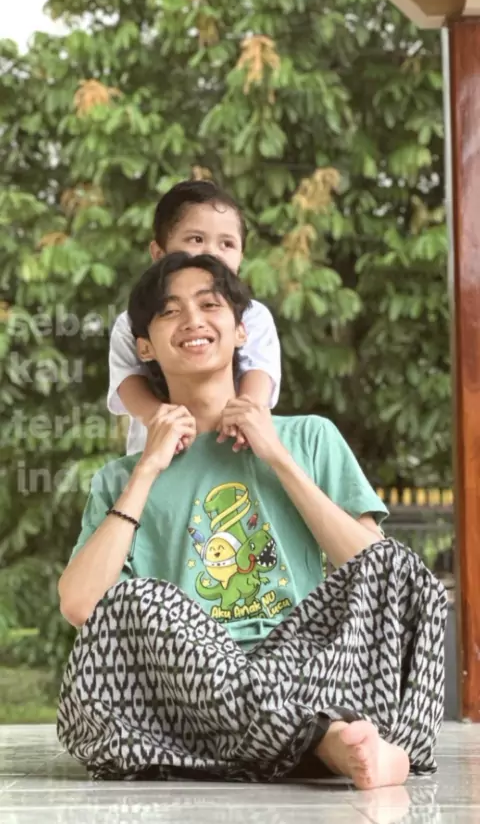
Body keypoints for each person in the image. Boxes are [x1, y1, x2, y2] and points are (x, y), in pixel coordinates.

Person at [57, 253, 447, 789]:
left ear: (241, 330)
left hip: (309, 665)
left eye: (209, 305)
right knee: (137, 600)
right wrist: (147, 468)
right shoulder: (120, 478)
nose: (193, 320)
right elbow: (81, 606)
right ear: (145, 346)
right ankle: (327, 741)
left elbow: (377, 572)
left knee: (401, 565)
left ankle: (272, 744)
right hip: (192, 690)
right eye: (170, 312)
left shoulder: (310, 437)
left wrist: (278, 456)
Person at [108, 179, 281, 455]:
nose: (212, 253)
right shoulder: (132, 321)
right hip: (161, 454)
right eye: (196, 240)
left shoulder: (254, 315)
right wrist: (159, 420)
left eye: (227, 244)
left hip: (235, 447)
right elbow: (127, 382)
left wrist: (246, 412)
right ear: (159, 253)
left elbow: (260, 373)